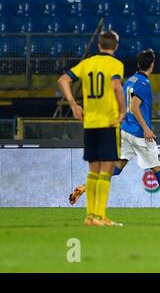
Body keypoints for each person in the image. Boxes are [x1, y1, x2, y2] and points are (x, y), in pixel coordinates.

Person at [68, 49, 160, 219]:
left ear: (138, 64)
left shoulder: (129, 81)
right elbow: (135, 106)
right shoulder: (144, 84)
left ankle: (85, 186)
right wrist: (145, 127)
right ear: (152, 65)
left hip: (124, 131)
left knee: (118, 166)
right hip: (139, 134)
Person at [58, 30, 126, 227]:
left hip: (90, 124)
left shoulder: (87, 64)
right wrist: (122, 111)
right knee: (105, 172)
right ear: (115, 47)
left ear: (99, 46)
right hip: (108, 123)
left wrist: (73, 104)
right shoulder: (115, 64)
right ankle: (99, 215)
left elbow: (63, 80)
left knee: (92, 172)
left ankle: (92, 216)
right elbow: (116, 87)